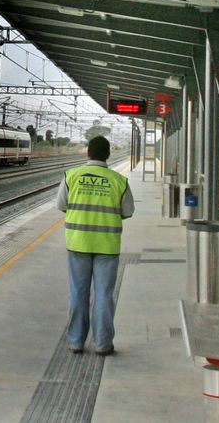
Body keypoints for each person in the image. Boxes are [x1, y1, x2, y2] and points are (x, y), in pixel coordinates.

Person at [56, 135, 134, 355]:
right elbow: (128, 211)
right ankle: (102, 344)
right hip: (107, 246)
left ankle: (76, 342)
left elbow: (61, 205)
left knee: (78, 293)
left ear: (88, 153)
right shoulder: (119, 181)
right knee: (104, 295)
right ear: (108, 155)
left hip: (78, 243)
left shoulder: (71, 176)